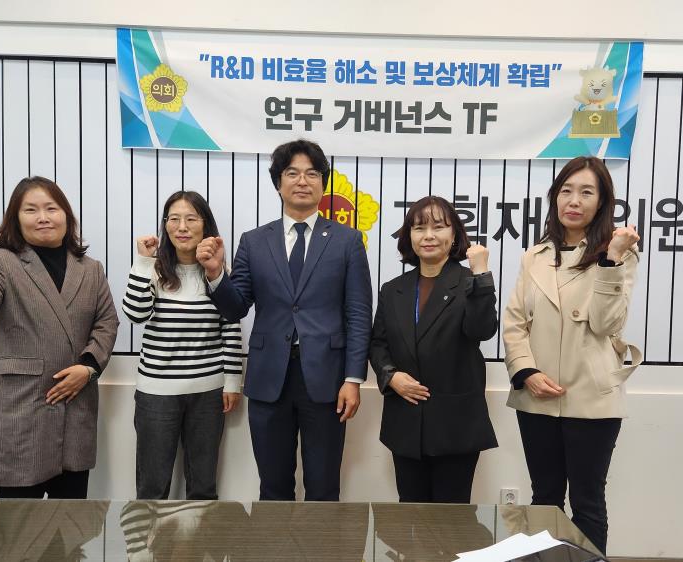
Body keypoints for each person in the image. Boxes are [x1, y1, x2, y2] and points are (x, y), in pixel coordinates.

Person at [196, 139, 372, 501]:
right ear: (278, 183)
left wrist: (353, 378)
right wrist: (215, 274)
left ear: (323, 184)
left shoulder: (347, 241)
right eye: (292, 173)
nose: (302, 181)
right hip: (269, 378)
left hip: (327, 380)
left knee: (324, 487)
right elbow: (236, 307)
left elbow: (358, 314)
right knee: (273, 487)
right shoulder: (254, 241)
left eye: (312, 173)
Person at [503, 156, 642, 554]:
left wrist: (611, 259)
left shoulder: (619, 253)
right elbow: (514, 323)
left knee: (587, 502)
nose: (574, 201)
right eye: (566, 191)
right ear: (555, 197)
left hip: (592, 397)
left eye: (586, 192)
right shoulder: (534, 256)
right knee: (544, 497)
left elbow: (604, 323)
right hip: (537, 395)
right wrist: (526, 372)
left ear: (602, 202)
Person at [0, 176, 119, 499]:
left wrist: (88, 367)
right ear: (16, 219)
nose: (43, 217)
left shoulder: (90, 269)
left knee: (70, 522)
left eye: (51, 208)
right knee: (16, 524)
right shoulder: (0, 262)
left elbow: (107, 322)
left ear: (66, 215)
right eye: (30, 210)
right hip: (19, 412)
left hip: (75, 408)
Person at [370, 196, 498, 504]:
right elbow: (378, 344)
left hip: (455, 424)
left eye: (438, 227)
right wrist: (390, 376)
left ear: (454, 235)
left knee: (451, 518)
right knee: (410, 513)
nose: (428, 235)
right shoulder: (393, 289)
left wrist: (482, 274)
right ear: (409, 236)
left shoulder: (469, 282)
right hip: (405, 420)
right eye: (419, 228)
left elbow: (482, 330)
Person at [122, 190, 243, 500]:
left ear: (205, 225)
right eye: (174, 219)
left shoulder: (217, 271)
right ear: (165, 225)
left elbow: (230, 326)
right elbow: (134, 314)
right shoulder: (153, 270)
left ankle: (200, 535)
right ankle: (146, 536)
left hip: (208, 392)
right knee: (152, 486)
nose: (182, 227)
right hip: (156, 393)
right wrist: (143, 262)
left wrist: (232, 382)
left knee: (203, 486)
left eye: (191, 219)